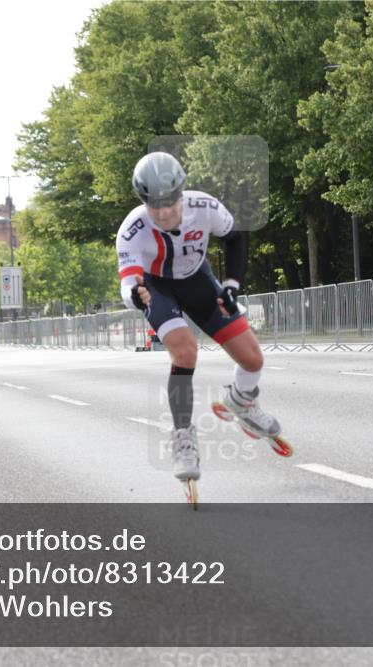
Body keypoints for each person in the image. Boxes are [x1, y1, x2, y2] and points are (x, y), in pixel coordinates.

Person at [115, 151, 286, 484]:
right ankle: (183, 438)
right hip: (157, 287)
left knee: (252, 359)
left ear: (181, 193)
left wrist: (232, 285)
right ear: (143, 202)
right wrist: (134, 295)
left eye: (170, 202)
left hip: (198, 281)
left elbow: (235, 238)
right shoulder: (132, 230)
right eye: (154, 205)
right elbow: (128, 282)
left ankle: (241, 401)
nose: (164, 212)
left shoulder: (205, 207)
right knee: (185, 351)